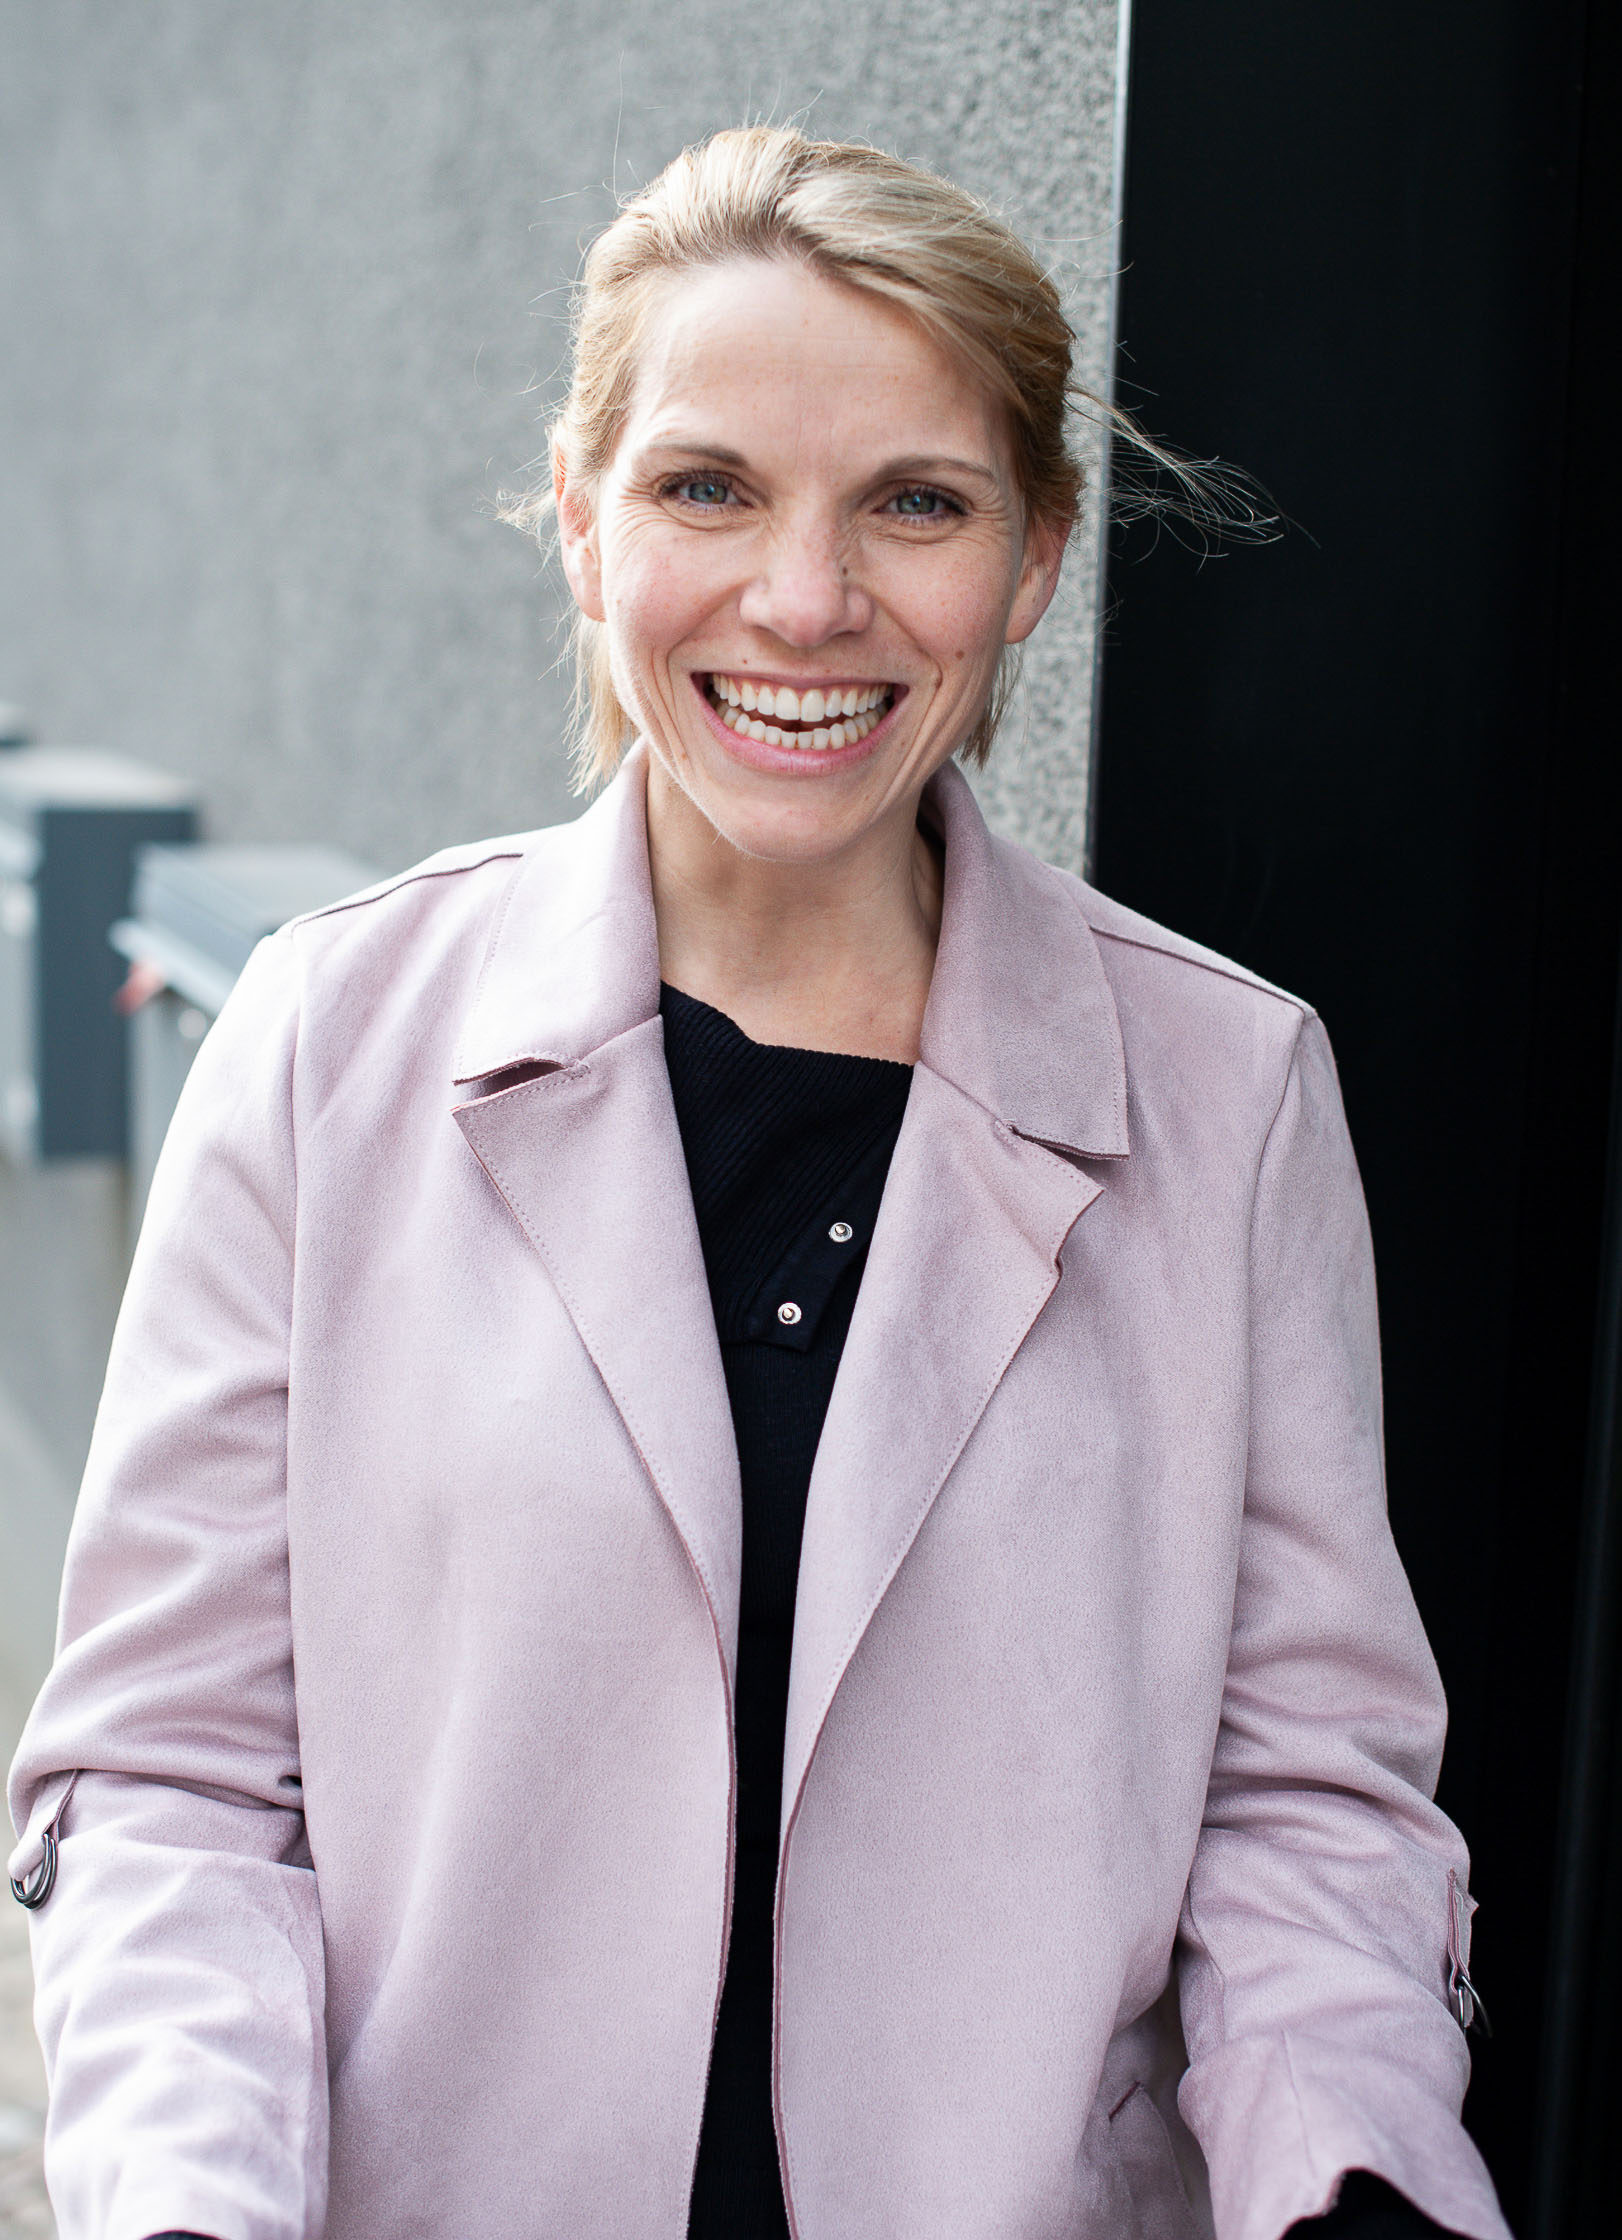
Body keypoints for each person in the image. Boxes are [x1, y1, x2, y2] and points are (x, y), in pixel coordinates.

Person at [9, 127, 1508, 2240]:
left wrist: (1352, 2182)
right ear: (580, 521)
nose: (805, 601)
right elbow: (171, 1784)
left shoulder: (1229, 1093)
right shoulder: (328, 1039)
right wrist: (187, 2200)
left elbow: (1303, 1812)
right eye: (707, 488)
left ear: (1037, 556)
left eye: (917, 502)